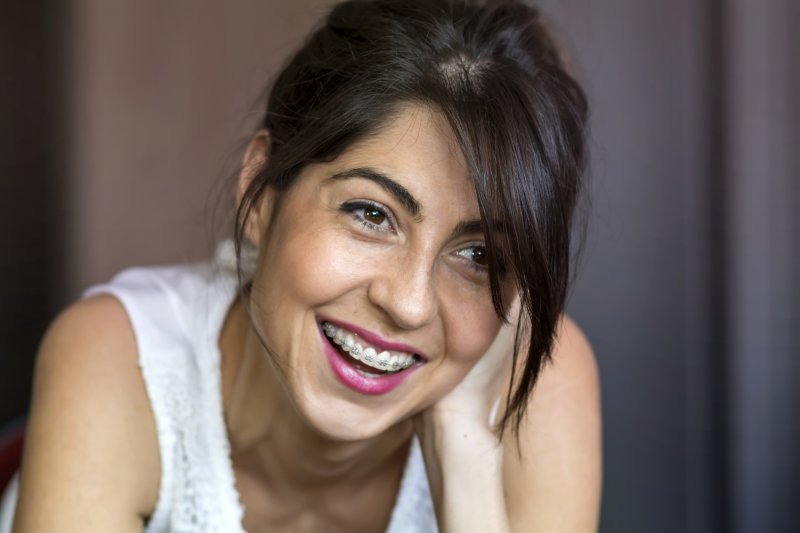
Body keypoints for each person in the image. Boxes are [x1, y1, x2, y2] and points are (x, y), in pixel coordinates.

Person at [9, 0, 601, 531]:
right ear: (261, 194)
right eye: (371, 214)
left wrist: (465, 455)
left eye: (478, 256)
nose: (409, 303)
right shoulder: (123, 358)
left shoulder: (541, 382)